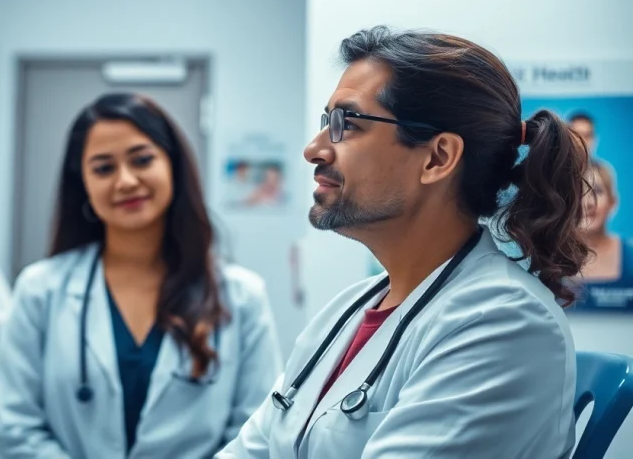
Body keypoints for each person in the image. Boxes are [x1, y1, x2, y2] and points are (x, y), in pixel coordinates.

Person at [219, 26, 588, 459]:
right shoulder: (348, 310)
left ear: (437, 158)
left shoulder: (503, 322)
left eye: (347, 124)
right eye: (326, 122)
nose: (314, 149)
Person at [0, 93, 282, 459]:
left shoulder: (242, 296)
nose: (125, 181)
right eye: (103, 168)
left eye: (142, 160)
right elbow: (13, 426)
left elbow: (254, 432)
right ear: (82, 183)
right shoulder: (40, 290)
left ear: (172, 165)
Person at [573, 159, 633, 309]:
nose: (588, 202)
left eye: (597, 191)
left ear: (612, 202)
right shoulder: (547, 261)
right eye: (579, 191)